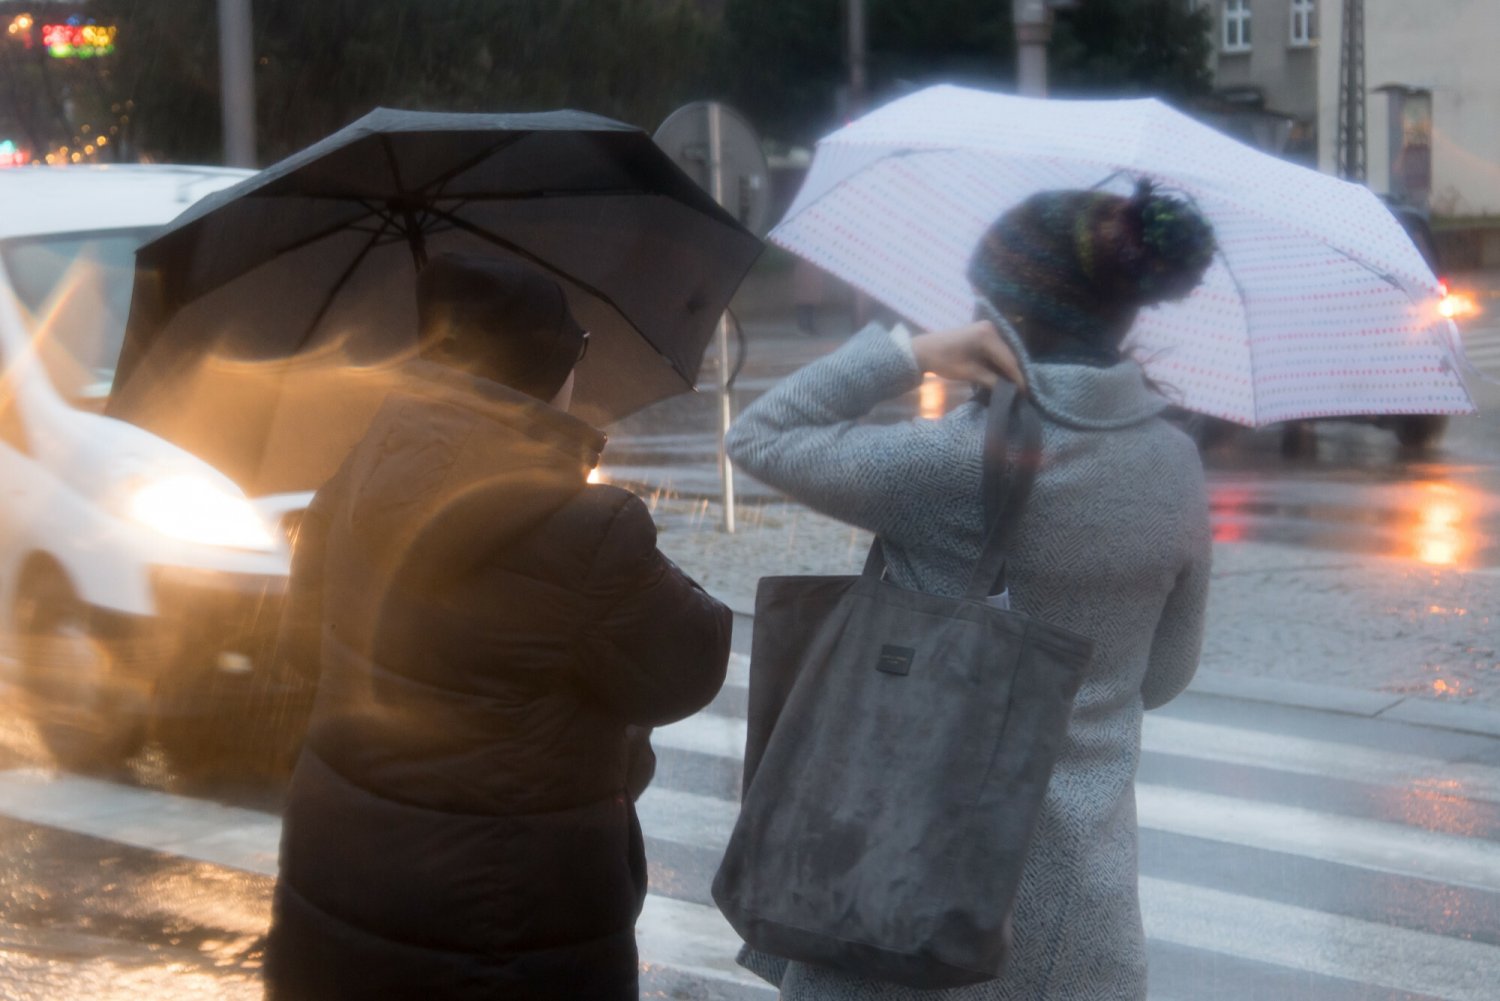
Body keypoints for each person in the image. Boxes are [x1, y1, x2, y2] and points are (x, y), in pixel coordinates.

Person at [724, 182, 1216, 1000]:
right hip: (1081, 927)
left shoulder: (953, 467)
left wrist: (910, 353)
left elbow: (761, 434)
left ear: (996, 314)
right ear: (1127, 314)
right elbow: (1162, 677)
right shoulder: (1174, 463)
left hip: (906, 903)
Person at [263, 252, 732, 1001]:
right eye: (576, 352)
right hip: (506, 923)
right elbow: (691, 662)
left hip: (342, 886)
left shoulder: (353, 473)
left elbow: (299, 644)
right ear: (546, 367)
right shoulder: (591, 528)